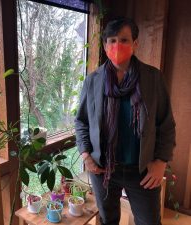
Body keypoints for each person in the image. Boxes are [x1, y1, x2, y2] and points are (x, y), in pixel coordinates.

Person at [75, 17, 176, 225]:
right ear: (104, 46)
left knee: (149, 222)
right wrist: (86, 155)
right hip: (103, 169)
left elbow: (166, 124)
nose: (117, 45)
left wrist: (160, 162)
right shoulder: (93, 80)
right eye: (111, 40)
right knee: (107, 220)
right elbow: (81, 122)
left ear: (135, 44)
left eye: (124, 40)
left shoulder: (152, 78)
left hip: (142, 170)